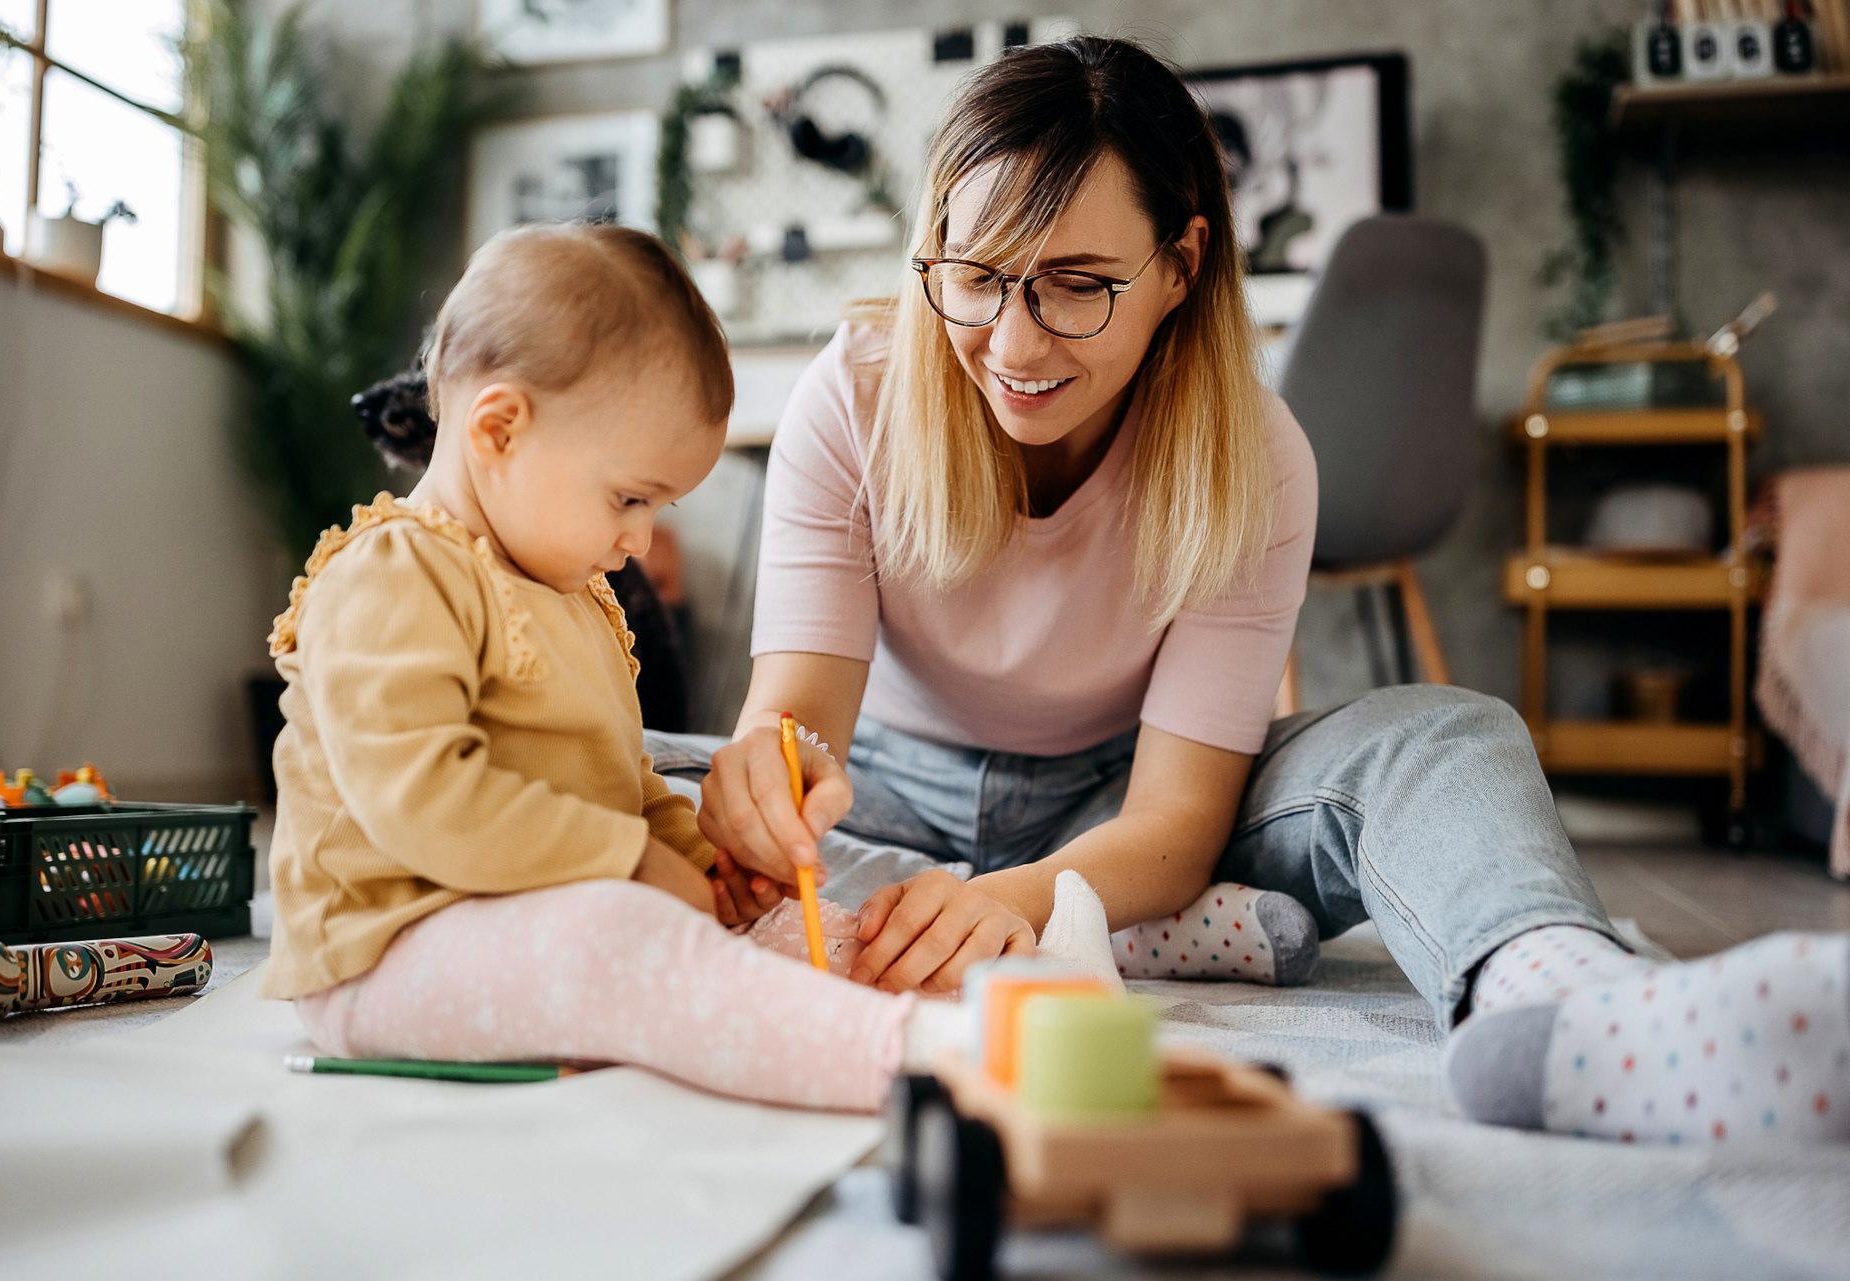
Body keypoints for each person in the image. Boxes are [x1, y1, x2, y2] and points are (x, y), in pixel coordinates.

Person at [654, 36, 1850, 1145]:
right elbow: (800, 717)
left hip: (1119, 810)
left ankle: (1557, 1006)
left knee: (1444, 735)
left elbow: (1174, 824)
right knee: (626, 761)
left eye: (1077, 284)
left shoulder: (1255, 455)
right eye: (977, 277)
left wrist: (1020, 893)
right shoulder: (855, 393)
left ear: (1181, 263)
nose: (1014, 347)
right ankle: (1133, 937)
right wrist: (774, 775)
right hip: (883, 805)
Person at [258, 223, 986, 1112]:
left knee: (786, 928)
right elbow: (423, 800)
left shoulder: (572, 593)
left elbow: (622, 779)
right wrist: (633, 862)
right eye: (629, 497)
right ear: (499, 428)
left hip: (539, 920)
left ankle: (958, 999)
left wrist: (705, 868)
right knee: (623, 937)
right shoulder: (392, 576)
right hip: (386, 949)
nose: (640, 539)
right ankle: (895, 1057)